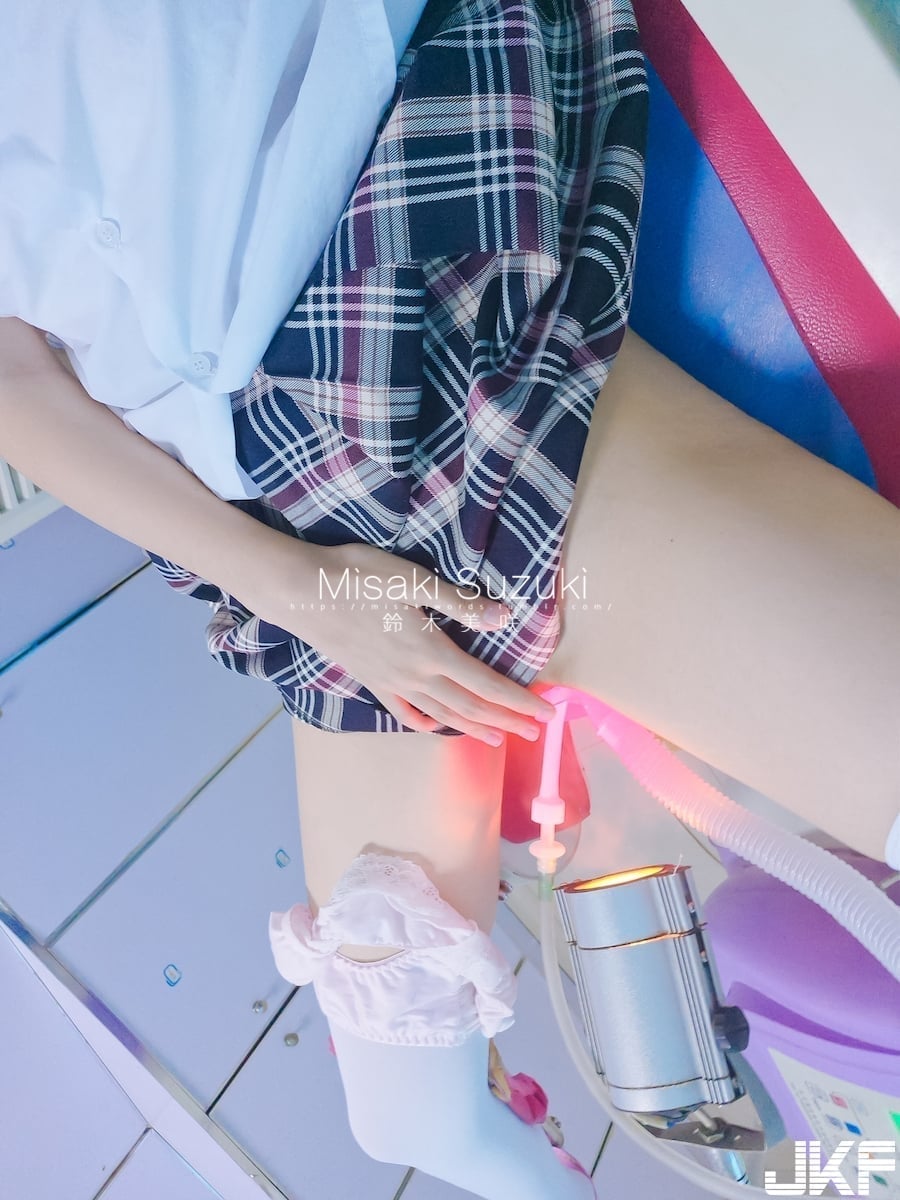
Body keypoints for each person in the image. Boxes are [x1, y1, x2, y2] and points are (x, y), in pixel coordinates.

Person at [2, 1, 898, 1196]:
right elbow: (13, 382)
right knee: (411, 1120)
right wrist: (301, 589)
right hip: (273, 505)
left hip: (409, 264)